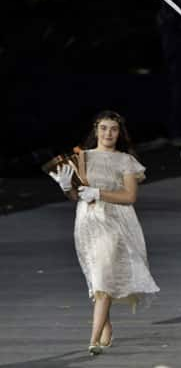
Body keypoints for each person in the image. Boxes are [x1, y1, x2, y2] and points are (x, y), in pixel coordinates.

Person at [49, 111, 159, 355]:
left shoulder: (126, 161)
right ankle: (106, 324)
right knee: (96, 274)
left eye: (113, 129)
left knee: (102, 277)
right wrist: (67, 188)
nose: (108, 133)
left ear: (119, 133)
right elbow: (76, 195)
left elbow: (129, 197)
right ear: (96, 131)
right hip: (87, 222)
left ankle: (94, 338)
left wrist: (99, 193)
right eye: (104, 128)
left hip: (116, 221)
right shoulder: (82, 158)